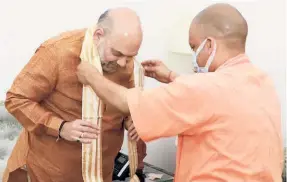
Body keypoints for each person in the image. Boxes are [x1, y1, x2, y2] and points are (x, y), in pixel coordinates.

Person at [76, 3, 283, 182]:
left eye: (194, 48)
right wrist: (172, 76)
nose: (194, 57)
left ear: (209, 45)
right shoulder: (262, 82)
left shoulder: (203, 89)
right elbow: (219, 97)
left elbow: (129, 103)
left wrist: (92, 76)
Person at [3, 7, 146, 182]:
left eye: (131, 57)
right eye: (117, 54)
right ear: (98, 35)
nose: (124, 63)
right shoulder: (57, 52)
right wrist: (61, 127)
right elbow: (16, 99)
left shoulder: (126, 64)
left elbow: (127, 106)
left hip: (101, 173)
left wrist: (132, 121)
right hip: (49, 173)